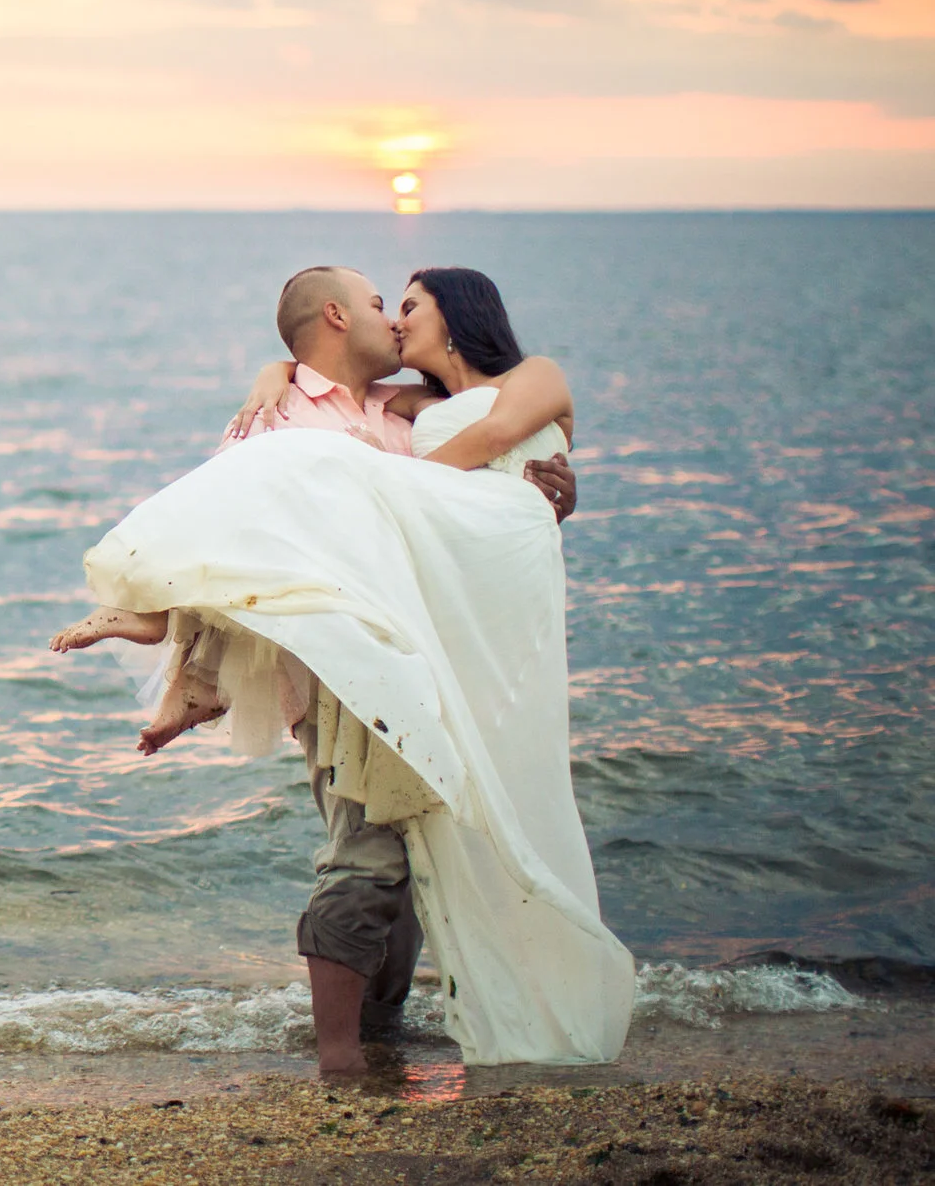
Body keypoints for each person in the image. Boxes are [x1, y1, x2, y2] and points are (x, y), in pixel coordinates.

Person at [50, 265, 629, 1073]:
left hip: (442, 650)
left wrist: (543, 494)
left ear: (454, 322)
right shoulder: (284, 416)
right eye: (381, 305)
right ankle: (341, 1053)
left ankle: (381, 1033)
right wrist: (277, 372)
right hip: (342, 669)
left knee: (423, 856)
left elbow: (489, 464)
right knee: (370, 854)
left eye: (409, 306)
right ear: (334, 315)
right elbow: (233, 532)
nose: (394, 320)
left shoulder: (406, 409)